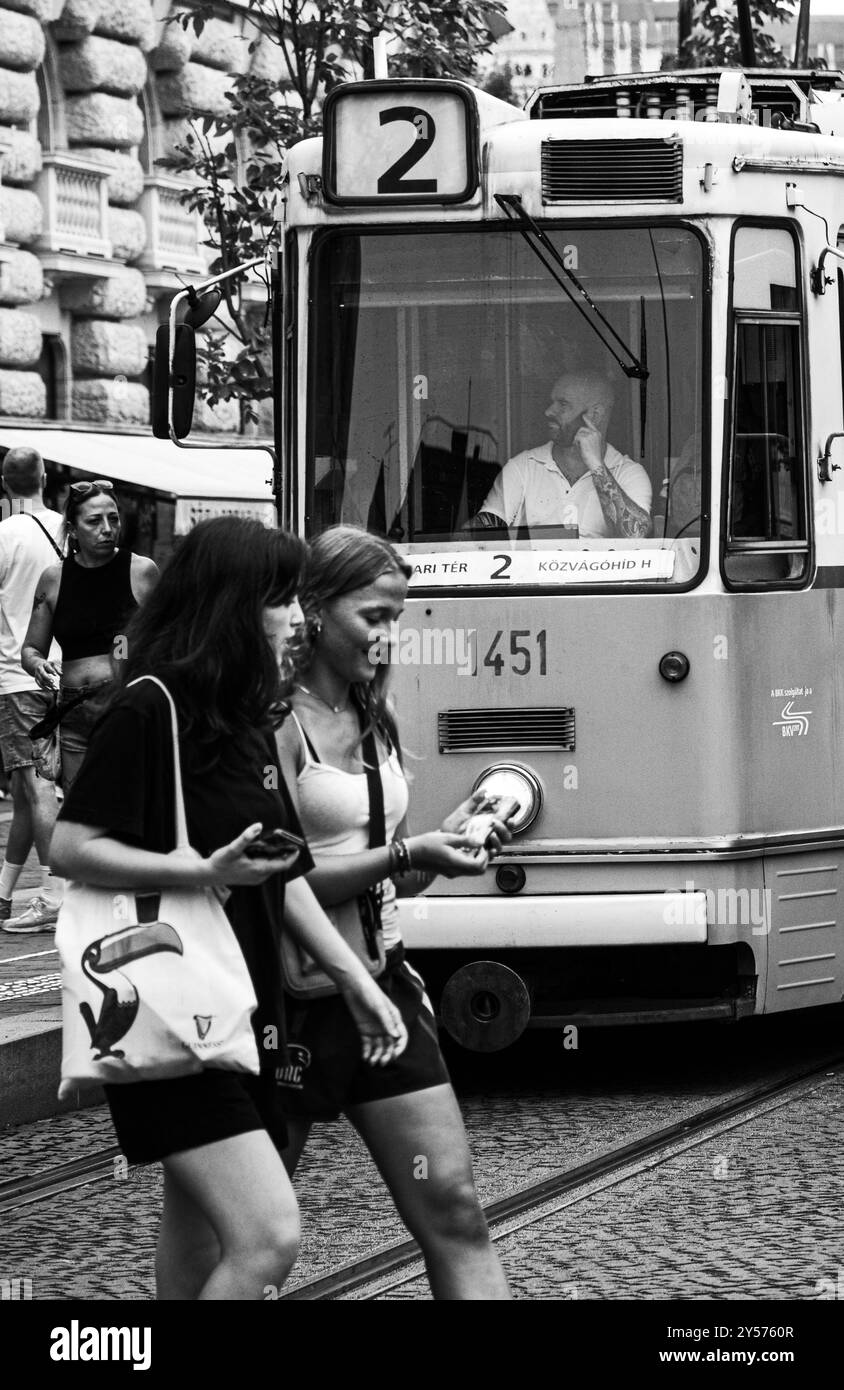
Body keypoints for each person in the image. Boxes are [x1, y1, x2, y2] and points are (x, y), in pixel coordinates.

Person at [49, 518, 408, 1301]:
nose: (297, 621)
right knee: (267, 1235)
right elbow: (69, 845)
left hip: (239, 1009)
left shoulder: (241, 722)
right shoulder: (151, 708)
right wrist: (197, 868)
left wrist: (359, 983)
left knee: (199, 1235)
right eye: (281, 600)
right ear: (233, 606)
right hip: (171, 1008)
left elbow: (285, 878)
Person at [275, 524, 512, 1301]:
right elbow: (280, 882)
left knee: (455, 1210)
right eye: (372, 616)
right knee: (247, 1236)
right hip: (285, 1004)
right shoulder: (276, 724)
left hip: (383, 983)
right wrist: (410, 856)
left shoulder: (374, 717)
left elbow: (391, 875)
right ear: (312, 609)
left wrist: (447, 849)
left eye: (397, 619)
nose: (387, 636)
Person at [21, 480, 159, 792]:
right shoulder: (54, 578)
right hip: (73, 709)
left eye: (114, 518)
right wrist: (38, 665)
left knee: (126, 799)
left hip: (124, 703)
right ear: (72, 529)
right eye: (94, 521)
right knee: (77, 807)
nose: (107, 529)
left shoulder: (141, 570)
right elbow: (31, 649)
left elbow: (166, 641)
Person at [0, 447, 65, 933]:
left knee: (36, 785)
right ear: (45, 477)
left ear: (5, 484)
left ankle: (55, 892)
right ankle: (3, 895)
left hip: (18, 676)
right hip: (65, 674)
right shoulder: (70, 530)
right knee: (28, 790)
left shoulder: (4, 536)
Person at [467, 370, 652, 538]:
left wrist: (596, 465)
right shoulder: (524, 466)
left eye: (563, 404)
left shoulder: (629, 473)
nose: (548, 411)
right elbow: (486, 528)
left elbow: (636, 536)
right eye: (551, 402)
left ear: (595, 415)